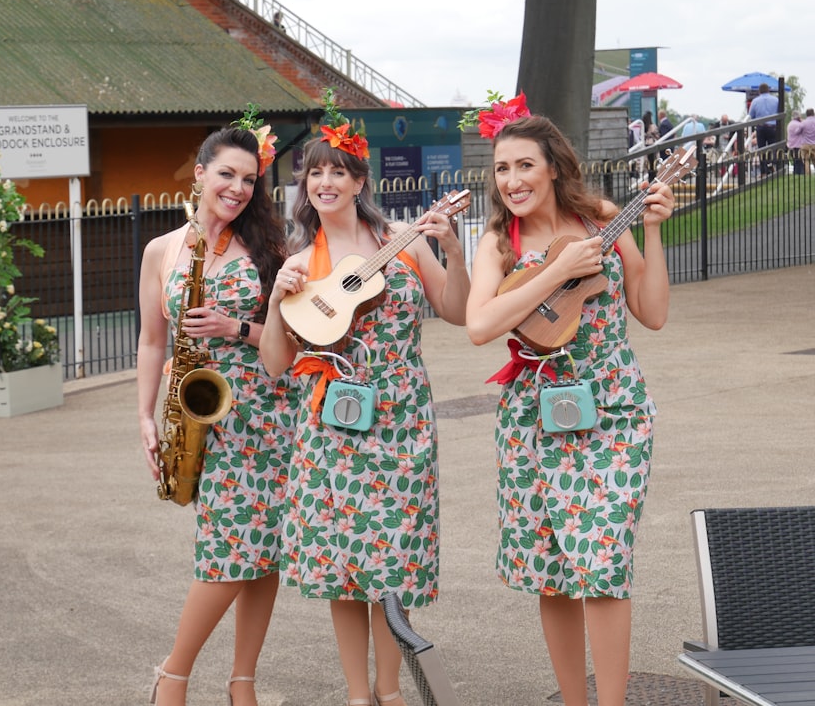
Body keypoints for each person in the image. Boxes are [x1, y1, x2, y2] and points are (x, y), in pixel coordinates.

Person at [260, 90, 471, 706]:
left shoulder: (403, 240)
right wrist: (277, 298)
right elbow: (276, 364)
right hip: (332, 424)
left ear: (359, 180)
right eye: (315, 171)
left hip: (402, 417)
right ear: (305, 187)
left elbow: (455, 312)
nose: (326, 181)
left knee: (391, 560)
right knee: (343, 565)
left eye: (338, 170)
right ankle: (359, 695)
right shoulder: (299, 262)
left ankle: (391, 690)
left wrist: (453, 252)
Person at [463, 101, 675, 706]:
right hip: (531, 419)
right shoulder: (499, 242)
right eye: (502, 169)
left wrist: (653, 232)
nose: (512, 181)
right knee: (551, 573)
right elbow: (479, 326)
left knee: (603, 566)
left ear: (554, 167)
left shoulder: (602, 219)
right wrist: (553, 277)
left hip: (611, 413)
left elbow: (653, 313)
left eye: (525, 165)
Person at [137, 121, 297, 706]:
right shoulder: (162, 250)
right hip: (206, 414)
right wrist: (146, 415)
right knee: (229, 548)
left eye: (250, 179)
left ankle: (241, 682)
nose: (237, 188)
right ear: (200, 172)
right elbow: (153, 341)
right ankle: (173, 675)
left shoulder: (269, 249)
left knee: (263, 551)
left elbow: (295, 338)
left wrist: (237, 328)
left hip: (268, 411)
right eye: (226, 174)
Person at [748, 83, 780, 175]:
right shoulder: (776, 100)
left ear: (759, 91)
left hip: (761, 127)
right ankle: (771, 167)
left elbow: (751, 115)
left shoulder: (755, 101)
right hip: (773, 127)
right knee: (772, 148)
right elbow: (780, 112)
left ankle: (763, 171)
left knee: (761, 149)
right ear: (768, 90)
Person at [799, 108, 815, 175]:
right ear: (813, 113)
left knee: (806, 161)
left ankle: (808, 176)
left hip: (805, 145)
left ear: (806, 114)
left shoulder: (803, 123)